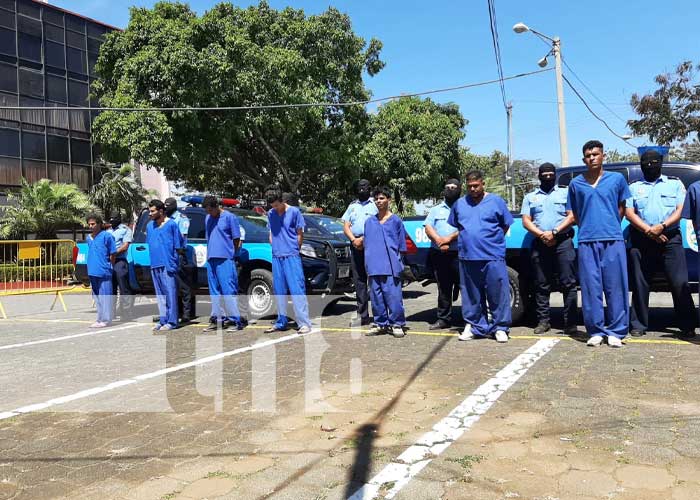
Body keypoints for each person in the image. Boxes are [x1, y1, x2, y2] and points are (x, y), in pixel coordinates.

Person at [566, 140, 631, 347]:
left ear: (603, 156)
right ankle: (595, 330)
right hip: (586, 240)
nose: (591, 157)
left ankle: (616, 331)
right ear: (583, 159)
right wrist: (589, 226)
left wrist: (609, 224)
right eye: (587, 155)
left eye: (595, 154)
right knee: (590, 287)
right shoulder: (576, 184)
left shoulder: (617, 180)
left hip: (612, 239)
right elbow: (574, 213)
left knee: (615, 286)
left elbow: (622, 208)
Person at [626, 150, 695, 338]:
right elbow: (629, 213)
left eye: (654, 162)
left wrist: (662, 227)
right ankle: (638, 325)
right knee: (640, 284)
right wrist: (649, 231)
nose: (650, 165)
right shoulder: (633, 187)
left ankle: (687, 325)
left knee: (679, 283)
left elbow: (680, 210)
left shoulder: (674, 184)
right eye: (646, 163)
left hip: (670, 238)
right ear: (641, 165)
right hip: (641, 240)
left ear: (661, 163)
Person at [448, 170, 513, 343]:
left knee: (497, 293)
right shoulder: (460, 204)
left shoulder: (496, 202)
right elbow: (458, 227)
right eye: (469, 187)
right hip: (468, 257)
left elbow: (505, 225)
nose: (473, 189)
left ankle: (500, 327)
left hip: (493, 256)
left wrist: (492, 242)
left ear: (483, 184)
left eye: (476, 186)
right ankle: (475, 326)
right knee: (471, 295)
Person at [521, 163, 578, 335]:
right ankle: (543, 321)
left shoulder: (565, 192)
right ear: (539, 176)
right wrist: (542, 235)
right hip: (540, 242)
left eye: (550, 174)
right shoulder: (530, 197)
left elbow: (572, 216)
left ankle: (570, 323)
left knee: (568, 283)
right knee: (541, 284)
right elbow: (526, 220)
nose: (547, 177)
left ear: (555, 175)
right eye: (544, 175)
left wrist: (554, 232)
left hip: (562, 242)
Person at [264, 188, 314, 334]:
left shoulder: (294, 212)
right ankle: (281, 321)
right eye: (272, 206)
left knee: (297, 289)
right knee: (279, 290)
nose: (274, 208)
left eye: (276, 205)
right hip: (277, 255)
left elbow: (300, 234)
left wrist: (294, 249)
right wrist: (273, 245)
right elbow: (271, 232)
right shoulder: (271, 214)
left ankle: (303, 322)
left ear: (282, 201)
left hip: (291, 255)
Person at [363, 186, 407, 338]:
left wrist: (400, 264)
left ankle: (397, 323)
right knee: (376, 297)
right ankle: (380, 323)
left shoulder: (396, 221)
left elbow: (402, 245)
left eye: (382, 198)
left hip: (391, 265)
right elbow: (367, 244)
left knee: (393, 296)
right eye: (376, 199)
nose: (378, 201)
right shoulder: (369, 222)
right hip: (374, 265)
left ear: (389, 200)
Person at [201, 195, 246, 332]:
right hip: (211, 259)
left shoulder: (229, 217)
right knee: (214, 292)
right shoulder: (208, 218)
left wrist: (232, 254)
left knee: (228, 290)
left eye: (210, 210)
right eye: (207, 211)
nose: (209, 213)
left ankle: (235, 320)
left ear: (216, 207)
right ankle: (217, 319)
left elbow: (236, 239)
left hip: (225, 259)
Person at [423, 179, 461, 330]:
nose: (450, 190)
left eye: (454, 187)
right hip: (439, 254)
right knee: (443, 288)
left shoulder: (464, 207)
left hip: (459, 253)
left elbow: (466, 227)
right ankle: (443, 319)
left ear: (459, 190)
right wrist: (439, 240)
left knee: (465, 286)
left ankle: (471, 319)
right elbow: (428, 227)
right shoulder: (436, 209)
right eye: (448, 187)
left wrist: (449, 239)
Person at [341, 179, 378, 327]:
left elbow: (379, 224)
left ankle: (379, 315)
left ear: (370, 188)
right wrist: (354, 239)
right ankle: (362, 315)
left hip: (372, 245)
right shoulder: (352, 206)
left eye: (365, 187)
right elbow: (346, 225)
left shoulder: (375, 205)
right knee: (359, 281)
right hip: (355, 245)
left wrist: (363, 239)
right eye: (359, 188)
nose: (362, 190)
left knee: (375, 280)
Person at [146, 199, 184, 332]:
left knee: (170, 293)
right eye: (149, 211)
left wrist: (173, 261)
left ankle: (172, 321)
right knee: (160, 295)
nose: (150, 214)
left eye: (152, 211)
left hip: (168, 264)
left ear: (161, 211)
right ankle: (163, 320)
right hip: (155, 264)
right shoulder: (149, 226)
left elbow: (179, 246)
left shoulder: (172, 225)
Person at [164, 197, 196, 322]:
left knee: (184, 287)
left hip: (179, 254)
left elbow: (181, 237)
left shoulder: (181, 219)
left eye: (168, 206)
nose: (166, 208)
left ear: (174, 205)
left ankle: (187, 313)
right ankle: (174, 313)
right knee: (171, 286)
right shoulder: (165, 220)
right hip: (168, 255)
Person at [86, 214, 116, 328]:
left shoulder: (107, 236)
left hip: (104, 270)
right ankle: (99, 318)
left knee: (105, 295)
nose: (90, 226)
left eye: (93, 224)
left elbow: (113, 253)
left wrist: (110, 266)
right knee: (96, 296)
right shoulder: (89, 238)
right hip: (92, 270)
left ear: (99, 224)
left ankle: (106, 319)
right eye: (89, 224)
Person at [107, 212, 135, 321]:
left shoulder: (125, 230)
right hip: (109, 262)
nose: (112, 220)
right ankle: (111, 313)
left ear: (119, 219)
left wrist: (114, 253)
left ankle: (126, 313)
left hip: (120, 261)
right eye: (111, 218)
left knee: (124, 288)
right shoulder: (108, 231)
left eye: (114, 218)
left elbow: (125, 246)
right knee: (111, 288)